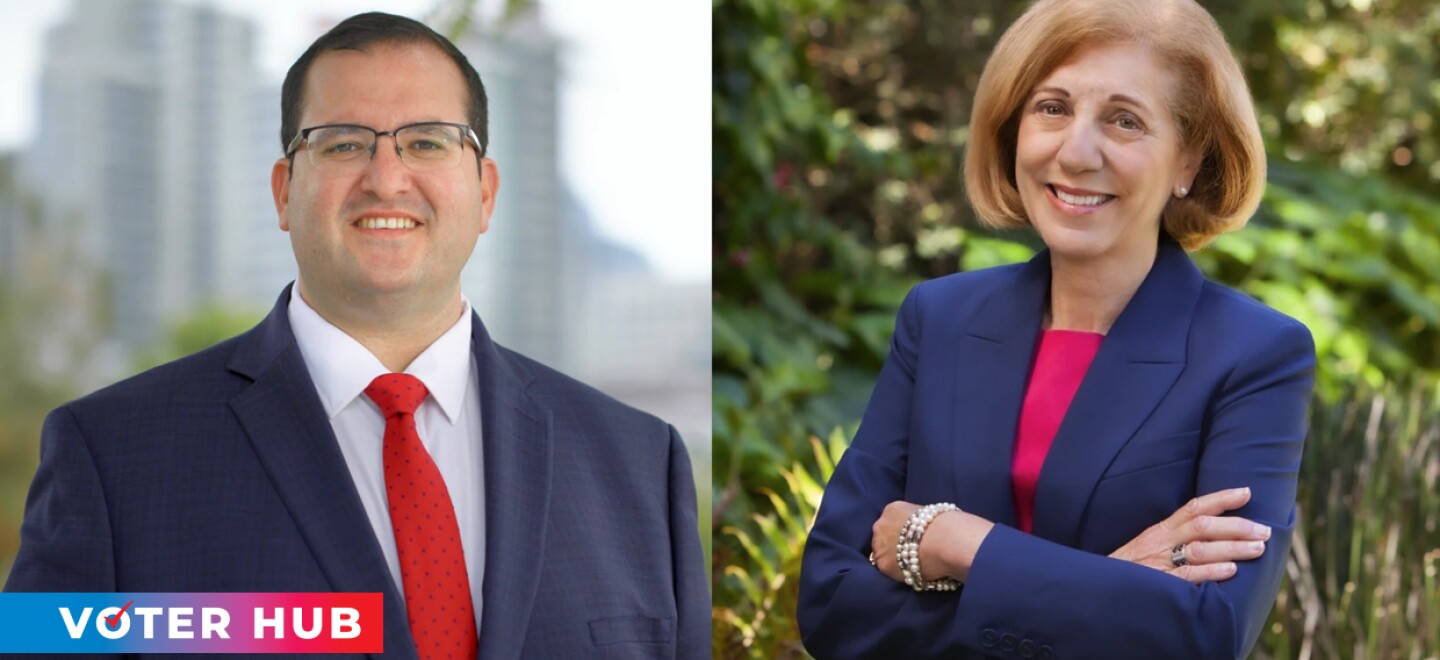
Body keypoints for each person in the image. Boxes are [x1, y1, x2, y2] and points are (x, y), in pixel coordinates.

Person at [5, 12, 708, 659]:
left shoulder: (641, 466)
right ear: (284, 191)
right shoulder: (112, 458)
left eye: (427, 142)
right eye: (343, 143)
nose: (387, 179)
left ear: (486, 193)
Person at [796, 0, 1315, 657]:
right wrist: (1110, 587)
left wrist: (958, 542)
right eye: (1052, 108)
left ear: (1188, 162)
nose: (1076, 152)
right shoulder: (939, 319)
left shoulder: (1255, 354)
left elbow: (1205, 636)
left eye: (1125, 120)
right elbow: (830, 603)